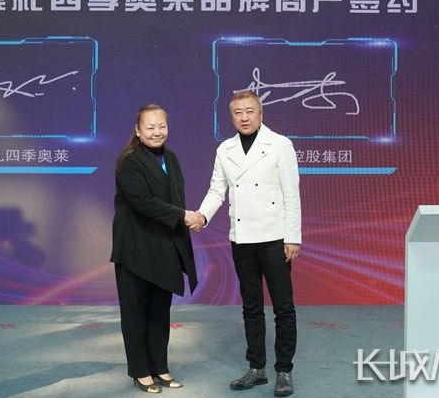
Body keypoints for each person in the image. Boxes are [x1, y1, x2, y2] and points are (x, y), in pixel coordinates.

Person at [192, 90, 302, 397]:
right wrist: (202, 215)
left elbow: (291, 193)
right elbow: (217, 191)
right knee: (251, 307)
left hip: (275, 238)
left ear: (261, 113)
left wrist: (293, 236)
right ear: (231, 117)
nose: (244, 117)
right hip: (241, 239)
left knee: (283, 307)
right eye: (238, 112)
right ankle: (257, 368)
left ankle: (284, 370)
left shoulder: (280, 144)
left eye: (250, 111)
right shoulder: (225, 149)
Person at [111, 104, 202, 394]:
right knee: (135, 314)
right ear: (138, 131)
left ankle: (160, 367)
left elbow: (175, 197)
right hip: (135, 250)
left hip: (164, 248)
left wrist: (188, 219)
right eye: (150, 127)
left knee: (160, 314)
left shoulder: (171, 158)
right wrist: (183, 216)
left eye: (161, 126)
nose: (156, 132)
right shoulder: (129, 161)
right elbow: (143, 202)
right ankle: (140, 371)